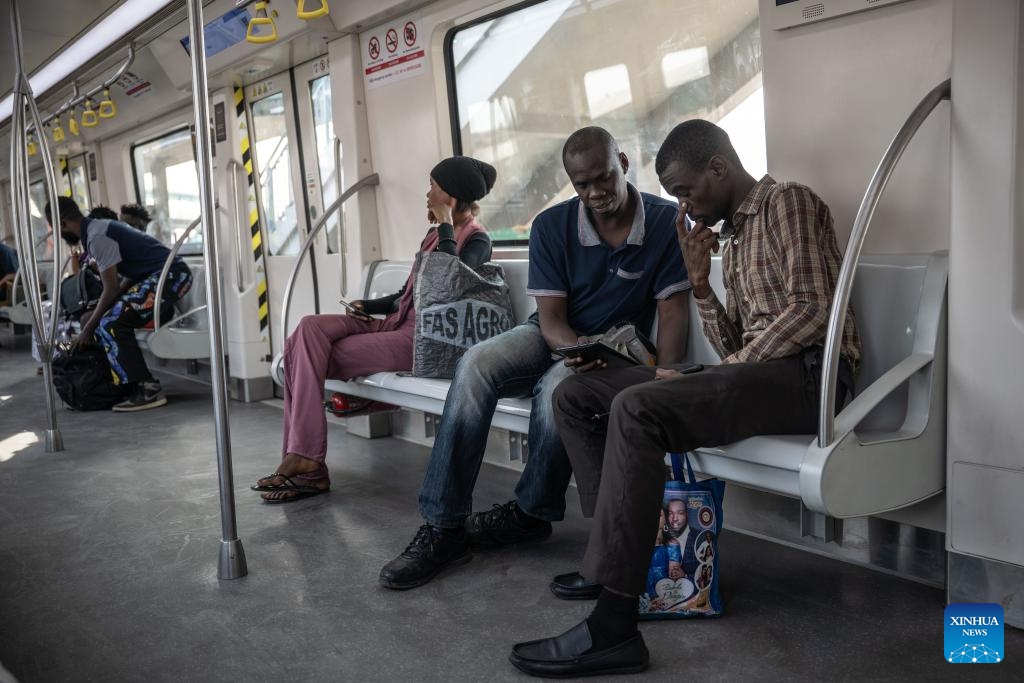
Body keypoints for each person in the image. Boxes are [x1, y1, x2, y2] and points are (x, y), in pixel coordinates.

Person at [508, 119, 862, 678]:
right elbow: (733, 342)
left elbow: (813, 311)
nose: (685, 207)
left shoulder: (788, 203)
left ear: (717, 168)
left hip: (808, 380)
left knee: (639, 407)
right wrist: (700, 283)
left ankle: (614, 627)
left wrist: (718, 371)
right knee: (577, 394)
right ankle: (616, 563)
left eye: (686, 191)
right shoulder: (735, 237)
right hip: (757, 375)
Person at [380, 127, 691, 591]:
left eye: (604, 178)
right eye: (582, 185)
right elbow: (550, 319)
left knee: (556, 387)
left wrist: (665, 380)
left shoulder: (665, 223)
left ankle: (531, 511)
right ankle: (444, 527)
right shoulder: (552, 226)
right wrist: (573, 349)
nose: (596, 193)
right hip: (554, 333)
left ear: (623, 163)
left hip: (619, 348)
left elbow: (672, 312)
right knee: (476, 364)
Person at [250, 156, 496, 503]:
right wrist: (371, 306)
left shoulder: (476, 240)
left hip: (421, 339)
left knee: (298, 355)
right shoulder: (431, 235)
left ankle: (308, 463)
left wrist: (444, 228)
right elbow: (407, 294)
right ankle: (306, 461)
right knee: (307, 330)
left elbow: (451, 284)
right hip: (394, 323)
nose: (427, 195)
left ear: (451, 197)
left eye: (434, 187)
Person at [46, 196, 193, 412]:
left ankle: (147, 388)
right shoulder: (97, 230)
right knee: (93, 318)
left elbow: (111, 287)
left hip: (171, 276)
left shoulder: (97, 237)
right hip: (153, 278)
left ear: (62, 223)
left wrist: (87, 331)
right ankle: (116, 383)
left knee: (110, 322)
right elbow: (128, 276)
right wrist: (91, 321)